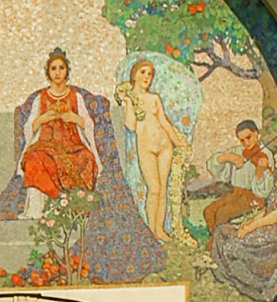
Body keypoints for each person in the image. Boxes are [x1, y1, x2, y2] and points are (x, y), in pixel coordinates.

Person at [210, 139, 277, 301]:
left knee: (232, 246)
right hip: (263, 224)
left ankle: (251, 283)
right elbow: (267, 209)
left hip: (274, 231)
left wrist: (253, 226)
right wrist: (248, 223)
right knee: (222, 230)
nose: (275, 156)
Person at [19, 48, 101, 219]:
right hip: (45, 144)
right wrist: (42, 119)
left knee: (87, 158)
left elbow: (88, 124)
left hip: (72, 145)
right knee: (34, 158)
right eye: (53, 68)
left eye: (61, 68)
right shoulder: (41, 98)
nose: (57, 72)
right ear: (48, 73)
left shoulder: (75, 97)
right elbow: (29, 127)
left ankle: (74, 207)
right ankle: (42, 209)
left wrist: (75, 118)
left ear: (67, 71)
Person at [119, 60, 186, 241]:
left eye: (150, 74)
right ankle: (150, 231)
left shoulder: (154, 98)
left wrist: (178, 143)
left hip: (165, 145)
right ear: (134, 75)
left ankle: (159, 230)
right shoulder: (130, 98)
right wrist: (128, 103)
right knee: (154, 189)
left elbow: (164, 122)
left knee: (162, 189)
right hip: (146, 147)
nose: (146, 77)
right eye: (143, 72)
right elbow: (131, 126)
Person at [203, 120, 275, 231]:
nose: (246, 143)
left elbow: (264, 192)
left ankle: (219, 240)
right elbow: (212, 165)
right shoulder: (238, 151)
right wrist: (227, 157)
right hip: (235, 194)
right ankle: (214, 239)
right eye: (242, 140)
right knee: (208, 211)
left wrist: (259, 172)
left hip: (253, 199)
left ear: (256, 133)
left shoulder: (265, 154)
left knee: (222, 214)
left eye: (249, 137)